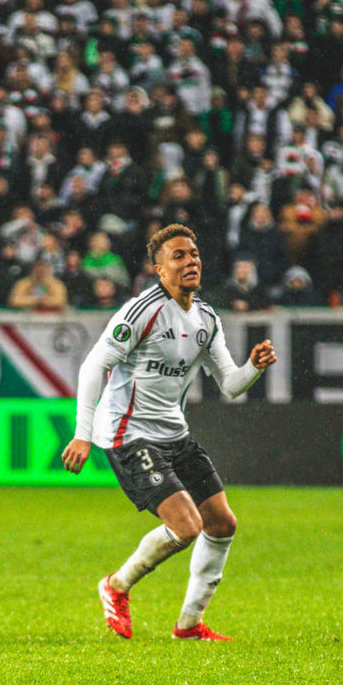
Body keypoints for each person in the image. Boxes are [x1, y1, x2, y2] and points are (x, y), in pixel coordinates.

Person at [61, 224, 277, 642]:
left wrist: (254, 367)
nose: (190, 261)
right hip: (129, 434)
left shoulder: (207, 318)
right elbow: (94, 366)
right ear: (159, 269)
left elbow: (230, 385)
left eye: (193, 254)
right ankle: (116, 585)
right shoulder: (141, 311)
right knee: (186, 524)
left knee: (222, 523)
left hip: (175, 435)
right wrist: (83, 433)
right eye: (178, 256)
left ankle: (189, 624)